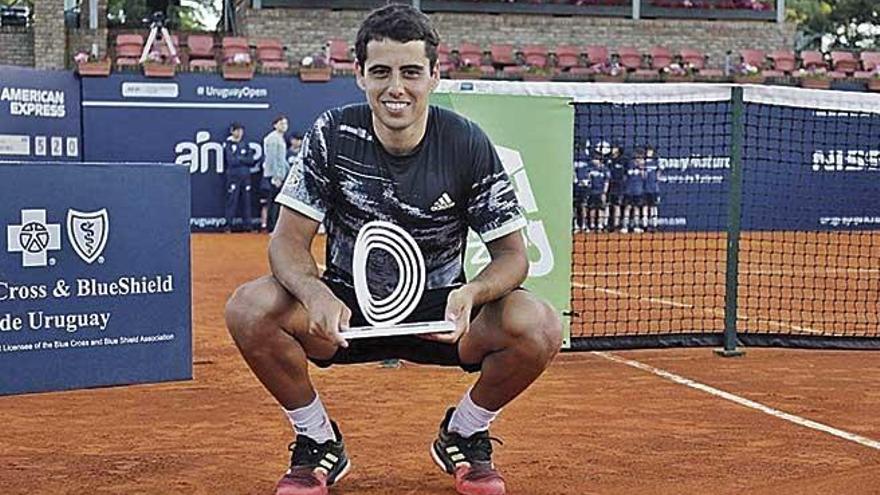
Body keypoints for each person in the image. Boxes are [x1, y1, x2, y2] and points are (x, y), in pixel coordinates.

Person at [224, 5, 562, 495]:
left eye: (410, 72)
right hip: (345, 310)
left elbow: (513, 255)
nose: (396, 88)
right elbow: (287, 240)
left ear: (434, 76)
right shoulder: (333, 133)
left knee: (539, 324)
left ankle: (465, 433)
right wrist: (315, 295)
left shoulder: (466, 143)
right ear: (359, 74)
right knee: (249, 307)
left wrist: (471, 293)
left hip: (443, 314)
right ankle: (317, 441)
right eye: (380, 72)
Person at [223, 122, 257, 232]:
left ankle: (248, 226)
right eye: (237, 130)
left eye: (241, 130)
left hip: (246, 177)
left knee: (246, 201)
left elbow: (251, 161)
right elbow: (230, 161)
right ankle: (228, 225)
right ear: (232, 131)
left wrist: (240, 158)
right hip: (233, 176)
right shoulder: (228, 144)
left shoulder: (245, 144)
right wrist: (243, 159)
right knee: (232, 200)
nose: (239, 133)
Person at [261, 115, 291, 232]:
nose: (284, 126)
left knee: (277, 203)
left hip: (281, 175)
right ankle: (272, 227)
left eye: (285, 124)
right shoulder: (273, 138)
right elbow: (272, 159)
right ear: (275, 125)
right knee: (274, 203)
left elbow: (282, 159)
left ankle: (274, 227)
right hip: (275, 176)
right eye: (281, 123)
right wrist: (276, 177)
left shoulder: (280, 138)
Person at [622, 147, 647, 233]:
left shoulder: (643, 167)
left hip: (638, 190)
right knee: (627, 208)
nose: (639, 159)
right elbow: (624, 177)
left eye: (641, 157)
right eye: (638, 157)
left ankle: (636, 226)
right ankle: (625, 226)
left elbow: (644, 177)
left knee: (637, 208)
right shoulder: (629, 164)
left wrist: (641, 167)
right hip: (629, 190)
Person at [585, 150, 610, 232]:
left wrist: (604, 193)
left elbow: (607, 182)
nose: (594, 160)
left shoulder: (605, 169)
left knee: (601, 209)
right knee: (592, 208)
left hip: (600, 192)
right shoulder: (590, 169)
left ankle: (600, 224)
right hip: (592, 192)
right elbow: (588, 180)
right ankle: (592, 224)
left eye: (596, 159)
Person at [644, 145, 661, 232]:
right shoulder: (643, 163)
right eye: (648, 151)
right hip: (645, 189)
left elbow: (658, 175)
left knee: (654, 207)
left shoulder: (655, 162)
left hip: (653, 189)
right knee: (645, 207)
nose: (649, 152)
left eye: (650, 151)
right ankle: (645, 225)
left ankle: (654, 225)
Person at [572, 150, 590, 233]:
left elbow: (589, 173)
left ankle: (584, 225)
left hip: (584, 186)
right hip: (575, 186)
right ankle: (575, 225)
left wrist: (586, 182)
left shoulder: (586, 158)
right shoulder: (572, 157)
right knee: (574, 207)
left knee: (583, 206)